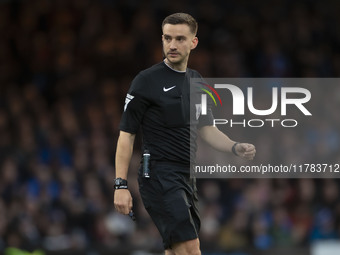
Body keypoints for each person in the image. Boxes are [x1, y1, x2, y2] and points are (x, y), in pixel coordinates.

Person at [114, 13, 256, 255]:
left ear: (193, 42)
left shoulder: (197, 82)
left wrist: (234, 146)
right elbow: (126, 134)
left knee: (175, 250)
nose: (172, 45)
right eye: (167, 38)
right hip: (158, 175)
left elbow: (207, 129)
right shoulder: (146, 81)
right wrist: (120, 185)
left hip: (186, 178)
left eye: (180, 39)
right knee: (191, 248)